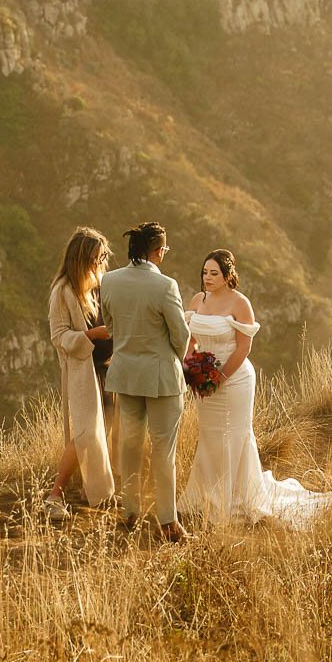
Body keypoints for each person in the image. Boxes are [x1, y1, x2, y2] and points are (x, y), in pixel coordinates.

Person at [177, 249, 329, 525]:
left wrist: (220, 378)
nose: (207, 278)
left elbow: (243, 347)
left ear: (227, 276)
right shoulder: (198, 300)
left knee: (234, 435)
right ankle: (205, 495)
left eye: (214, 273)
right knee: (209, 435)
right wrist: (192, 366)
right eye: (205, 272)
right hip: (204, 378)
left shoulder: (240, 303)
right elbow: (192, 340)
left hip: (235, 379)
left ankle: (236, 498)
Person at [99, 221, 191, 542]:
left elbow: (111, 328)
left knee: (130, 444)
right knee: (164, 449)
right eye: (164, 249)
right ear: (157, 251)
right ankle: (168, 522)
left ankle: (130, 512)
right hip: (162, 377)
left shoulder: (109, 281)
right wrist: (172, 360)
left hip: (125, 374)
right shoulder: (166, 286)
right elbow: (181, 335)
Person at [46, 227, 115, 520]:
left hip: (108, 368)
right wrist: (92, 335)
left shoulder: (100, 285)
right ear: (80, 258)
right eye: (95, 258)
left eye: (102, 257)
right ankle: (55, 494)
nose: (100, 263)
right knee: (86, 432)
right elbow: (59, 336)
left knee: (104, 429)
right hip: (84, 372)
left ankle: (91, 488)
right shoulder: (63, 291)